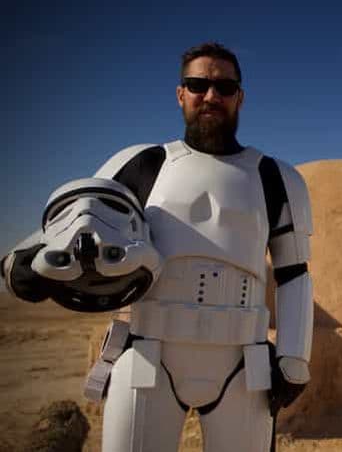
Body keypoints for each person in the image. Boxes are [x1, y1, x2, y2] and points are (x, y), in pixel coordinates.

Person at [1, 42, 314, 452]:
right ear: (181, 93)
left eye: (224, 86)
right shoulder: (140, 163)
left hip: (243, 363)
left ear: (240, 95)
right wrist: (24, 268)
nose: (211, 95)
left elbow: (294, 273)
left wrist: (293, 359)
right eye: (198, 84)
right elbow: (70, 228)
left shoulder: (276, 178)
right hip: (148, 357)